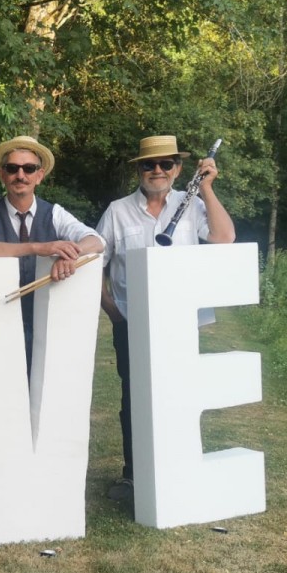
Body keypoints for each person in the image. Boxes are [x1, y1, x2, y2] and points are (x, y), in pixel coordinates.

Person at [96, 134, 236, 502]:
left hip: (181, 326)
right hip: (133, 325)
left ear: (178, 169)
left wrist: (206, 188)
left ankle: (179, 468)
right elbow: (95, 266)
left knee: (182, 398)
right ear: (139, 170)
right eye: (148, 164)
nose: (157, 170)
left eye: (166, 164)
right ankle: (133, 474)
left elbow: (224, 239)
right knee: (134, 401)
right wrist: (115, 314)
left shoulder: (192, 203)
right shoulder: (117, 210)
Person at [0, 135, 104, 371]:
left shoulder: (55, 213)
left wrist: (71, 253)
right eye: (13, 168)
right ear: (2, 175)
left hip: (49, 320)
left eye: (29, 168)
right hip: (0, 319)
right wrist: (38, 247)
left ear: (39, 176)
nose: (21, 175)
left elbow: (97, 241)